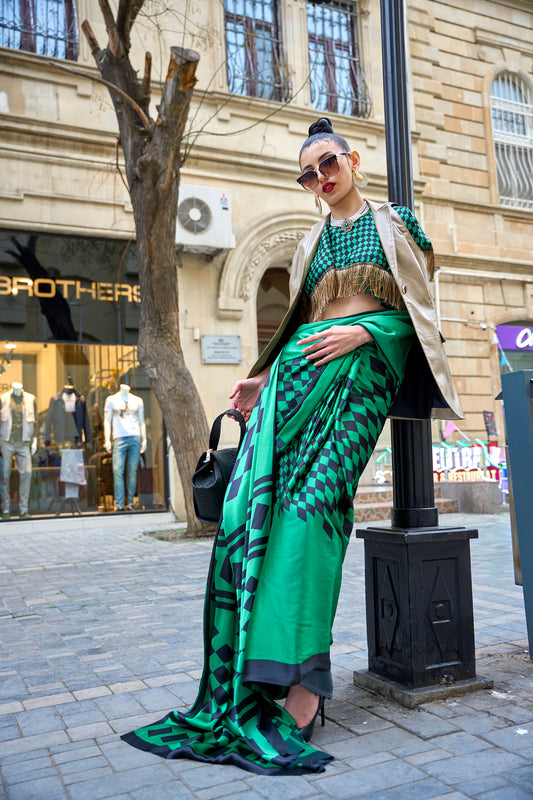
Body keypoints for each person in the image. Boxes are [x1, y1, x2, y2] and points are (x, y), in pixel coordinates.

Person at [122, 118, 462, 774]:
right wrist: (258, 375)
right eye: (306, 173)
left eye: (327, 164)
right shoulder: (310, 241)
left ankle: (304, 689)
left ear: (353, 159)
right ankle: (263, 678)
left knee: (312, 518)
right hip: (295, 379)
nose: (319, 179)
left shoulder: (397, 224)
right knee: (257, 516)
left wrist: (368, 330)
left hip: (361, 380)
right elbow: (299, 321)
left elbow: (423, 311)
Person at [104, 384, 146, 511]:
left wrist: (144, 439)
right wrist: (107, 439)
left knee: (132, 471)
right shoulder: (111, 400)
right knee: (118, 470)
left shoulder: (138, 400)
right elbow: (107, 420)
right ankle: (120, 503)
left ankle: (131, 503)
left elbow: (142, 421)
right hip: (119, 437)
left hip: (135, 437)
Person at [0, 382, 37, 519]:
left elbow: (36, 421)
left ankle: (24, 509)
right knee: (4, 475)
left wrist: (35, 440)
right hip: (6, 441)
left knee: (27, 473)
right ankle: (5, 509)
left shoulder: (30, 398)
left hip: (24, 442)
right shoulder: (3, 399)